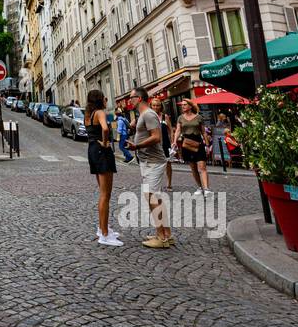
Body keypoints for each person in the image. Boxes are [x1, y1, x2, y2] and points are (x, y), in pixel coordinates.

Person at [126, 88, 172, 249]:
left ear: (138, 98)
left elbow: (156, 137)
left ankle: (161, 237)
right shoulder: (143, 115)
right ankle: (167, 234)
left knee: (152, 198)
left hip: (153, 162)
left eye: (131, 98)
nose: (129, 100)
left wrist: (137, 145)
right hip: (148, 162)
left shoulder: (149, 114)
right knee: (156, 198)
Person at [86, 89, 121, 247]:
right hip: (101, 151)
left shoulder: (89, 114)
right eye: (104, 98)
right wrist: (106, 142)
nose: (107, 100)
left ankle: (102, 228)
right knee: (105, 194)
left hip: (92, 150)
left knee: (103, 193)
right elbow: (105, 129)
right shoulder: (100, 113)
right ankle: (105, 234)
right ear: (100, 100)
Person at [173, 98, 211, 194]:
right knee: (193, 168)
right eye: (182, 105)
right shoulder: (180, 118)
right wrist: (174, 141)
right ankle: (199, 187)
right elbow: (178, 130)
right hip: (186, 144)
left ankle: (206, 189)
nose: (183, 106)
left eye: (185, 104)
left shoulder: (198, 117)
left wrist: (207, 145)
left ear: (190, 106)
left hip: (198, 143)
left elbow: (203, 132)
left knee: (202, 167)